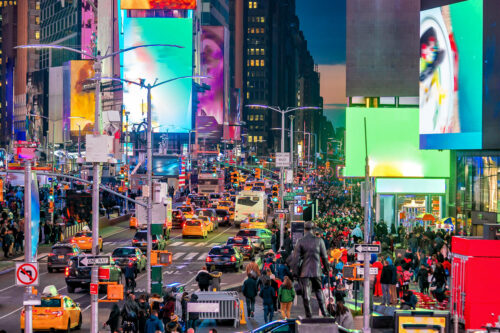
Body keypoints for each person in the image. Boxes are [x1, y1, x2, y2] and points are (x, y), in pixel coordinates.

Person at [290, 221, 330, 318]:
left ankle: (309, 314)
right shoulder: (319, 241)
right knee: (319, 291)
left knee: (306, 293)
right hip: (317, 270)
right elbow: (325, 257)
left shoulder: (300, 241)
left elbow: (295, 259)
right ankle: (325, 313)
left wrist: (295, 273)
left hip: (305, 271)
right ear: (314, 229)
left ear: (304, 229)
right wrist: (327, 269)